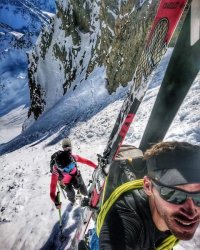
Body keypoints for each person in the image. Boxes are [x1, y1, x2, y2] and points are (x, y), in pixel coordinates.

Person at [99, 141, 200, 249]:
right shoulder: (125, 217)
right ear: (148, 186)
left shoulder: (174, 218)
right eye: (174, 195)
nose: (191, 211)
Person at [50, 138, 97, 208]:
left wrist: (96, 167)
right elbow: (52, 191)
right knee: (71, 193)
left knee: (84, 192)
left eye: (72, 165)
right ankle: (73, 201)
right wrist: (55, 201)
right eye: (67, 169)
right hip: (66, 183)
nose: (70, 168)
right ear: (61, 168)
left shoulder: (73, 158)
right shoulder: (56, 171)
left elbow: (86, 161)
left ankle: (79, 197)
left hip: (75, 176)